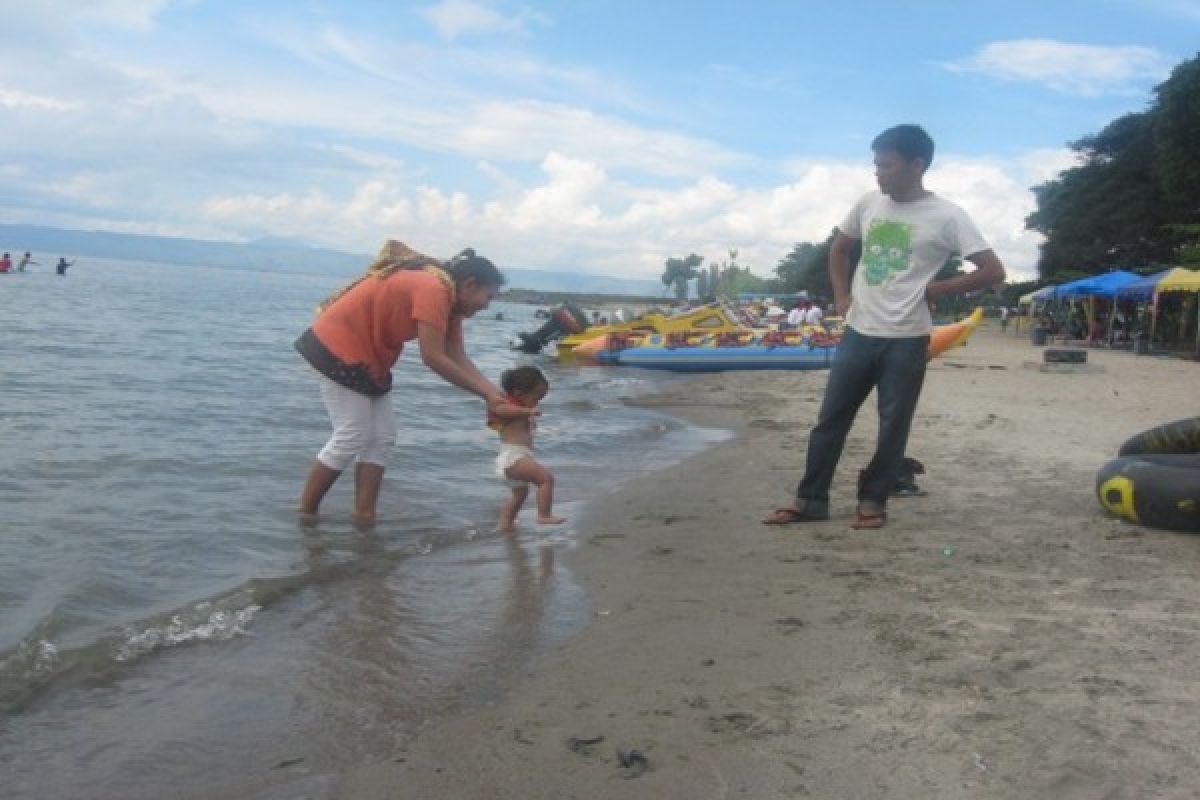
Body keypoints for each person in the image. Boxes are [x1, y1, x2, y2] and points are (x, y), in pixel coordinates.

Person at [763, 124, 1005, 530]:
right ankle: (810, 499)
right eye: (876, 164)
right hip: (860, 331)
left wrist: (939, 287)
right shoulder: (868, 203)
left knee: (893, 424)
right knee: (830, 420)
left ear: (916, 165)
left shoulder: (948, 215)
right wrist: (841, 296)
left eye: (886, 165)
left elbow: (993, 270)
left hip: (908, 338)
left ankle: (873, 500)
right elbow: (840, 250)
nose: (878, 173)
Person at [295, 240, 510, 524]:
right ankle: (306, 515)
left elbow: (456, 355)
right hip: (336, 346)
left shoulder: (451, 301)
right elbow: (433, 357)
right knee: (351, 434)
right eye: (488, 297)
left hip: (370, 357)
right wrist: (488, 397)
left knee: (382, 436)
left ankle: (364, 515)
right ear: (469, 285)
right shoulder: (434, 289)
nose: (486, 306)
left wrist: (495, 394)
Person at [488, 365, 565, 532]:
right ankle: (544, 515)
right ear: (519, 394)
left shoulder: (519, 409)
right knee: (546, 479)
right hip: (513, 457)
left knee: (520, 495)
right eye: (536, 398)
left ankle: (505, 524)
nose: (537, 403)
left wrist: (527, 412)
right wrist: (526, 411)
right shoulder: (511, 407)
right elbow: (500, 409)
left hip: (514, 458)